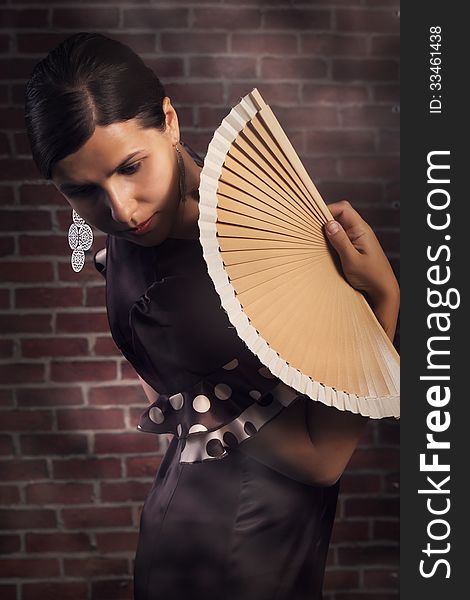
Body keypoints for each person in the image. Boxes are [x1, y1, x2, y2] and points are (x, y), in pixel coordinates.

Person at [24, 32, 400, 600]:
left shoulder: (220, 219)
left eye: (130, 166)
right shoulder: (167, 306)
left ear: (169, 121)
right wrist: (383, 301)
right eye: (82, 192)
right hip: (234, 552)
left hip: (242, 529)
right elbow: (322, 459)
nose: (121, 210)